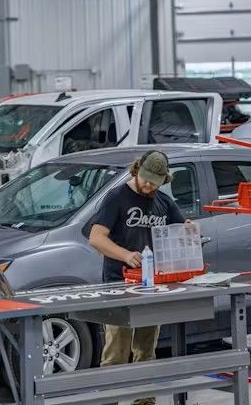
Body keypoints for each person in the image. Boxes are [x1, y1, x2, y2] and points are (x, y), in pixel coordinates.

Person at [89, 151, 186, 405]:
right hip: (118, 285)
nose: (148, 186)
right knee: (116, 354)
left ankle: (144, 402)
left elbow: (182, 226)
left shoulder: (163, 202)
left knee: (145, 351)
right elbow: (96, 238)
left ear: (164, 180)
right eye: (145, 180)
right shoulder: (116, 198)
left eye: (155, 182)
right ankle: (110, 401)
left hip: (150, 287)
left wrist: (191, 228)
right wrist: (124, 255)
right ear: (136, 171)